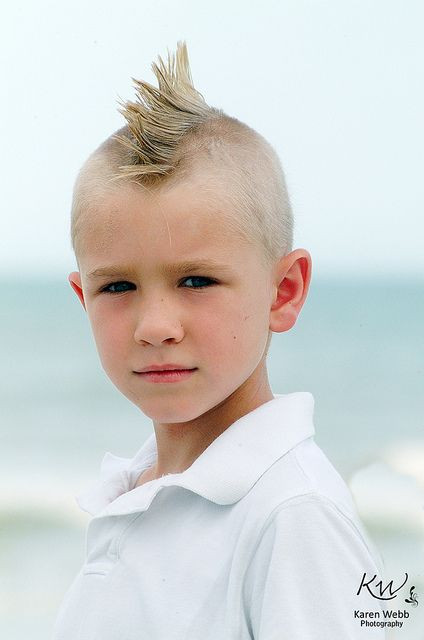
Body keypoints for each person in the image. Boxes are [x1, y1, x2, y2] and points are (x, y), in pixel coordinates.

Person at [53, 41, 387, 639]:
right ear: (84, 299)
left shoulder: (292, 516)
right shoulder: (141, 490)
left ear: (282, 292)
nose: (155, 325)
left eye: (196, 280)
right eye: (119, 286)